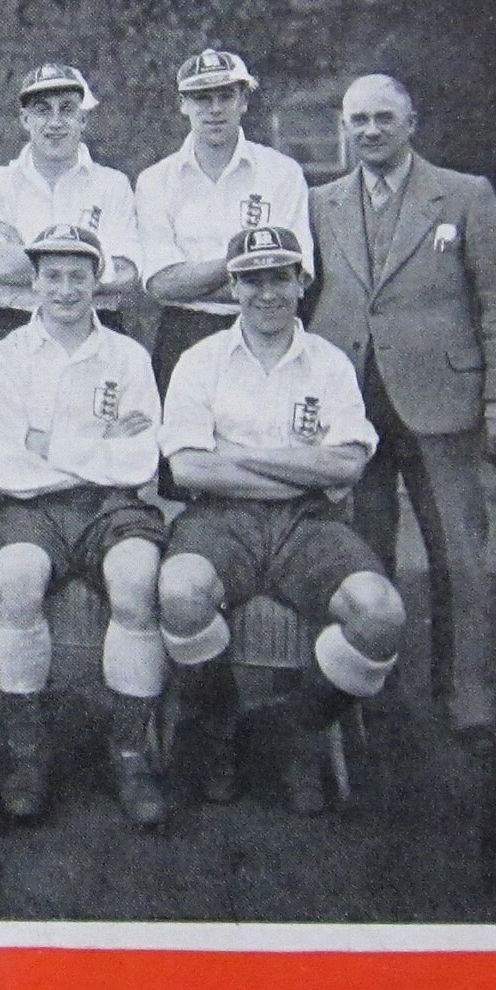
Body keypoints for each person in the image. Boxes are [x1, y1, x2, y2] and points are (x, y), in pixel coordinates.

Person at [154, 227, 407, 815]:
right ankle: (219, 721)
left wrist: (239, 455)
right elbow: (190, 468)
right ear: (232, 287)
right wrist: (302, 468)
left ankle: (303, 727)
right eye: (252, 280)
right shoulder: (200, 361)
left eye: (279, 278)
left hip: (310, 523)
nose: (266, 293)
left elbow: (347, 463)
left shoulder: (329, 363)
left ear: (301, 282)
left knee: (381, 614)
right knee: (181, 592)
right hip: (220, 519)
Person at [304, 74, 496, 760]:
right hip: (353, 404)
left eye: (383, 119)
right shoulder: (320, 203)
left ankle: (468, 696)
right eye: (358, 120)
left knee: (459, 552)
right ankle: (373, 688)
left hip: (442, 403)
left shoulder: (466, 195)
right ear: (345, 127)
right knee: (364, 551)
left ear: (411, 122)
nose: (370, 131)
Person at [0, 224, 172, 827]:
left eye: (78, 276)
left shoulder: (128, 356)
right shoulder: (5, 358)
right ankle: (26, 749)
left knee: (137, 580)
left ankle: (130, 752)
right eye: (53, 276)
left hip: (113, 507)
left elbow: (138, 464)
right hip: (30, 508)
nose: (65, 289)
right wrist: (98, 441)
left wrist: (50, 443)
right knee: (16, 575)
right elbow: (11, 468)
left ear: (97, 282)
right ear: (34, 282)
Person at [132, 47, 314, 387]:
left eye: (226, 96)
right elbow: (161, 285)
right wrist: (247, 263)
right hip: (184, 335)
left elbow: (294, 277)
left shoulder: (282, 173)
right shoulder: (155, 180)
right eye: (202, 98)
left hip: (265, 333)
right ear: (183, 104)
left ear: (243, 100)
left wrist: (196, 281)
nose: (215, 109)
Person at [0, 63, 146, 351]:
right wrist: (92, 262)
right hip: (18, 326)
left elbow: (127, 272)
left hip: (98, 327)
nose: (55, 122)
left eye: (67, 109)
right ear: (25, 119)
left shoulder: (112, 184)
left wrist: (27, 254)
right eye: (42, 110)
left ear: (83, 119)